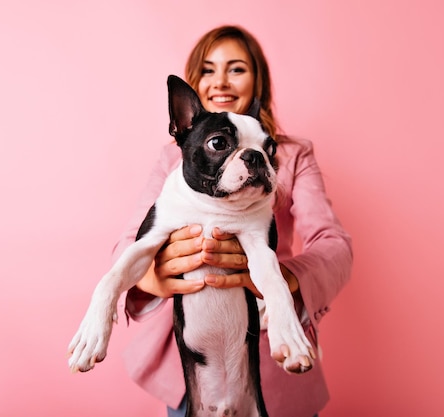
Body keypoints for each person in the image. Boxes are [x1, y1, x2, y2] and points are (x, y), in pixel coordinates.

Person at [112, 25, 353, 417]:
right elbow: (129, 240)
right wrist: (155, 275)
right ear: (193, 85)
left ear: (259, 79)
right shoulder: (175, 161)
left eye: (236, 68)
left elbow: (334, 245)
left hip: (274, 362)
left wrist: (282, 279)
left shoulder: (290, 156)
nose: (221, 81)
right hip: (188, 362)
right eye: (208, 70)